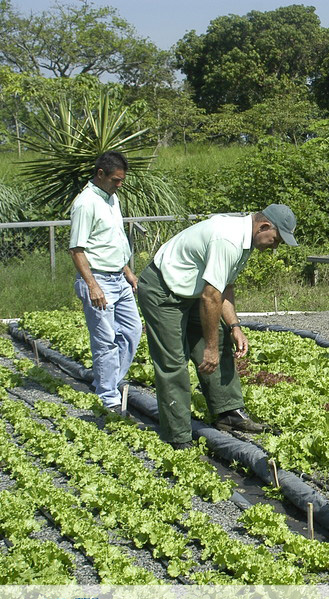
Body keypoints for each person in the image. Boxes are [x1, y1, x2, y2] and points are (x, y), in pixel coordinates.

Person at [136, 204, 298, 449]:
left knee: (221, 338)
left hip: (191, 291)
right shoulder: (229, 240)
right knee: (173, 362)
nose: (274, 247)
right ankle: (177, 435)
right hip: (163, 290)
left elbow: (225, 287)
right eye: (275, 240)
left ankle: (228, 413)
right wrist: (208, 348)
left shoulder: (245, 240)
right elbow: (211, 296)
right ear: (264, 226)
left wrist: (234, 326)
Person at [68, 151, 142, 413]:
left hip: (118, 278)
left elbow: (110, 241)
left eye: (122, 179)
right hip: (98, 279)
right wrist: (93, 286)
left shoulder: (112, 198)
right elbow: (77, 250)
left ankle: (108, 380)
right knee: (105, 340)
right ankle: (107, 396)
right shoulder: (86, 203)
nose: (119, 184)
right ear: (100, 174)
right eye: (115, 179)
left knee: (132, 331)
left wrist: (127, 270)